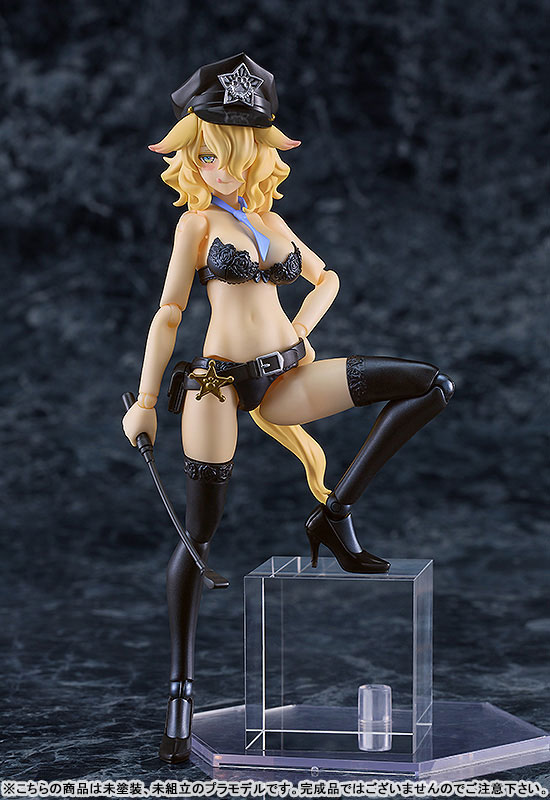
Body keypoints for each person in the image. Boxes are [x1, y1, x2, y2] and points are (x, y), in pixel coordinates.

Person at [122, 53, 454, 764]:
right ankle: (179, 691)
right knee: (199, 534)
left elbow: (326, 277)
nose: (218, 168)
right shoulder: (197, 227)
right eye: (205, 155)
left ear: (258, 152)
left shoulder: (272, 221)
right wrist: (146, 400)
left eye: (230, 153)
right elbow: (168, 313)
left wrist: (301, 331)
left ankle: (334, 513)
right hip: (215, 385)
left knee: (429, 385)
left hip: (285, 377)